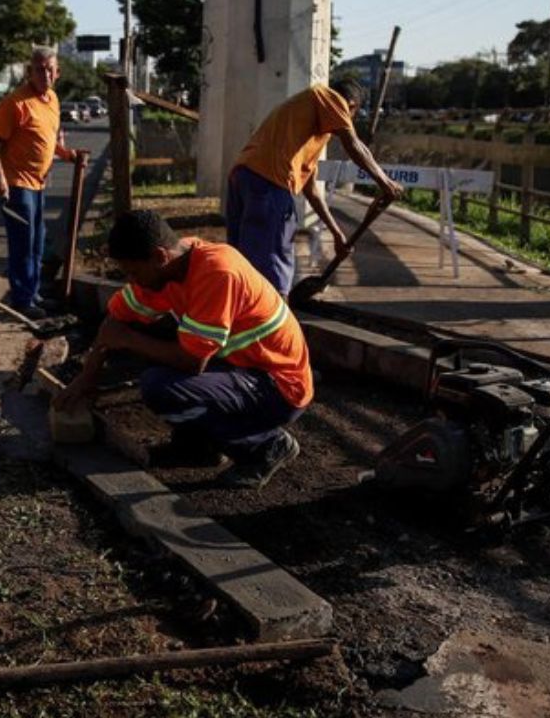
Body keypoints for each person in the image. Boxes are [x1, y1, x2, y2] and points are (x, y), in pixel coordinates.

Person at [55, 210, 313, 489]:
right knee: (151, 343)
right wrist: (87, 377)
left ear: (160, 257)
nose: (132, 281)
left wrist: (129, 339)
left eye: (134, 272)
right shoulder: (170, 265)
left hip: (278, 388)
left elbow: (191, 362)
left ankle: (265, 446)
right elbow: (116, 319)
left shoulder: (217, 273)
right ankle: (199, 446)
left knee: (161, 386)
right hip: (240, 367)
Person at [227, 78, 405, 295]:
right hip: (270, 183)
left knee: (243, 257)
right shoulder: (328, 96)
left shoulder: (304, 127)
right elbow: (354, 144)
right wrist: (384, 181)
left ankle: (241, 312)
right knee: (274, 261)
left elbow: (311, 190)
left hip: (242, 178)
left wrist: (336, 233)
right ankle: (278, 321)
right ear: (351, 106)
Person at [0, 46, 86, 320]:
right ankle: (22, 299)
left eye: (50, 69)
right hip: (17, 183)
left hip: (38, 183)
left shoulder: (52, 99)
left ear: (58, 73)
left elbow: (49, 140)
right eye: (39, 69)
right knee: (23, 243)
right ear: (30, 72)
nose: (45, 74)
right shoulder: (15, 103)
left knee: (38, 241)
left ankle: (33, 292)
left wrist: (68, 154)